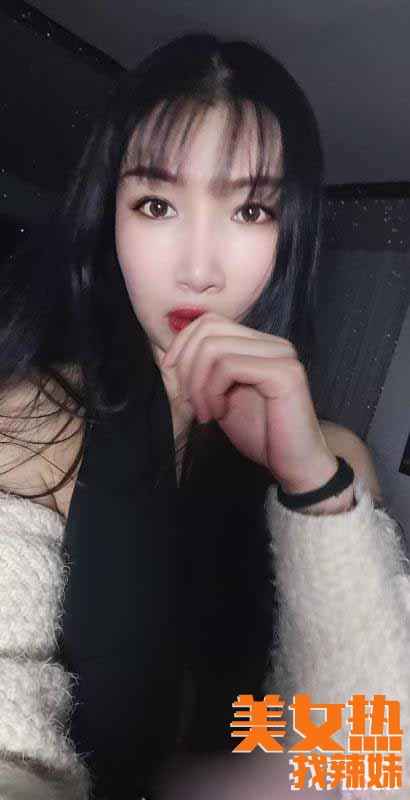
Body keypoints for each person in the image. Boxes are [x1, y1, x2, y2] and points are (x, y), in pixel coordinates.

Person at [0, 31, 408, 800]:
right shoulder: (35, 424)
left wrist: (311, 489)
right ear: (109, 217)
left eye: (249, 209)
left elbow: (374, 749)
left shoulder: (334, 463)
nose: (198, 268)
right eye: (156, 204)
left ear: (290, 235)